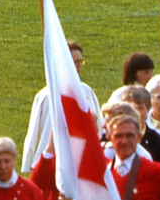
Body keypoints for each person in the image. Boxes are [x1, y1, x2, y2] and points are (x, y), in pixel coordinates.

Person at [22, 40, 102, 172]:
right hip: (51, 163)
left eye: (80, 61)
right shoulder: (46, 95)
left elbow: (98, 127)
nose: (78, 66)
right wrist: (30, 162)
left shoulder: (86, 92)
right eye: (74, 62)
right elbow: (34, 133)